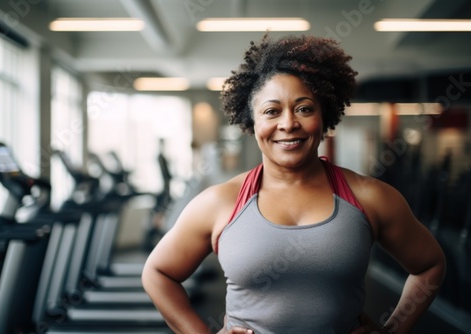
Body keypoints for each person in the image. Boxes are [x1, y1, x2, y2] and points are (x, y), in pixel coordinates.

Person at [141, 33, 446, 334]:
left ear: (323, 116)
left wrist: (393, 330)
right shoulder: (219, 203)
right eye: (272, 111)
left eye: (304, 108)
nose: (288, 123)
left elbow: (429, 265)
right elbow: (158, 273)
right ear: (252, 122)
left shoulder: (370, 197)